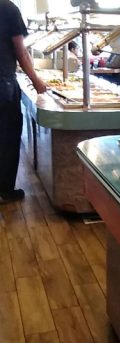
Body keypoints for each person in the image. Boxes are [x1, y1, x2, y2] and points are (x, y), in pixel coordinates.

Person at [1, 0, 46, 203]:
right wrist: (36, 80)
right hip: (3, 82)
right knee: (8, 137)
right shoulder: (8, 8)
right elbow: (21, 51)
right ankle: (5, 191)